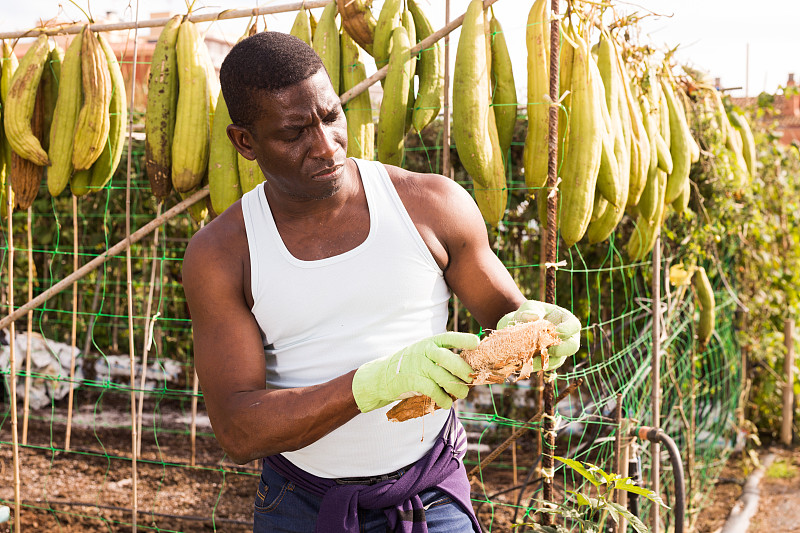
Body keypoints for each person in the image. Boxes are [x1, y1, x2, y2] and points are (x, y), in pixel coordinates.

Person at [182, 31, 580, 533]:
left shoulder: (431, 204)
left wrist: (537, 328)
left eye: (330, 116)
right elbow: (238, 430)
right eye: (294, 132)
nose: (325, 146)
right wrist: (374, 384)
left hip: (430, 496)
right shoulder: (222, 254)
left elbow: (507, 316)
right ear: (245, 142)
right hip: (302, 502)